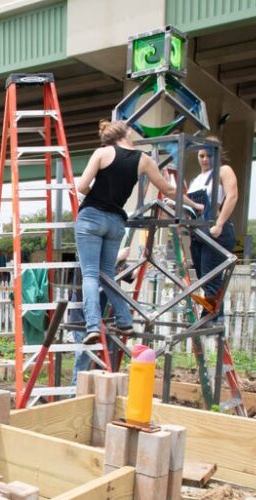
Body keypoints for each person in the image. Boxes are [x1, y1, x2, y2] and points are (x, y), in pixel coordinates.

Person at [74, 120, 175, 344]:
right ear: (126, 133)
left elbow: (81, 186)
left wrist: (96, 194)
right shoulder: (144, 160)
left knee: (90, 273)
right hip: (116, 220)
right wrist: (194, 205)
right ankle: (125, 321)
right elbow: (167, 189)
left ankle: (92, 326)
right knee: (107, 273)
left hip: (91, 216)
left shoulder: (102, 153)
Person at [186, 138, 239, 323]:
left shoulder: (223, 171)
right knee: (203, 277)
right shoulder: (195, 180)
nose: (205, 159)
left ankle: (211, 317)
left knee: (211, 277)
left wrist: (220, 223)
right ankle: (215, 315)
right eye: (202, 155)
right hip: (197, 231)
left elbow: (232, 195)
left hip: (216, 229)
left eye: (209, 155)